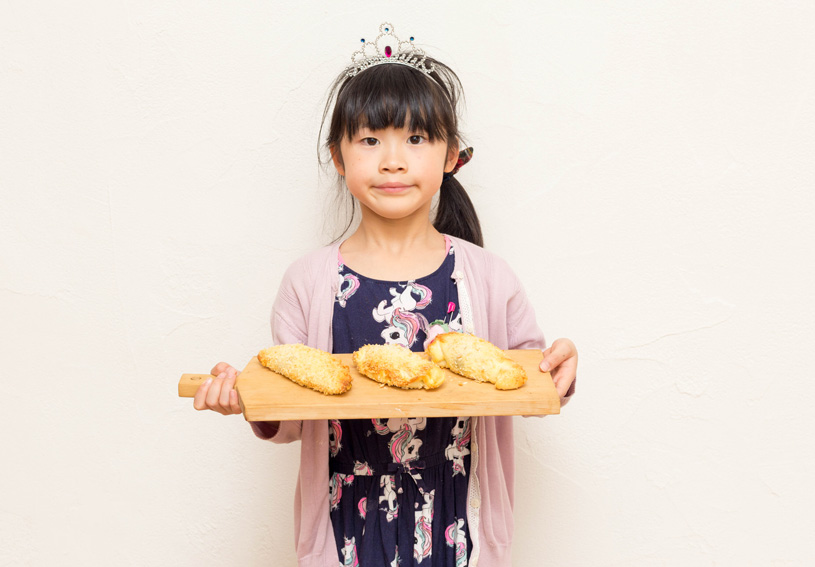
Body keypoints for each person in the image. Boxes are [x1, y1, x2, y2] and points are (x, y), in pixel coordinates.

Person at [192, 23, 578, 567]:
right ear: (339, 156)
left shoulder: (489, 277)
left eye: (416, 139)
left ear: (451, 156)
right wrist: (251, 402)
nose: (392, 160)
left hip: (456, 516)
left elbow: (528, 383)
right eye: (370, 140)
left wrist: (561, 369)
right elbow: (297, 416)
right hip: (346, 518)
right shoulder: (307, 283)